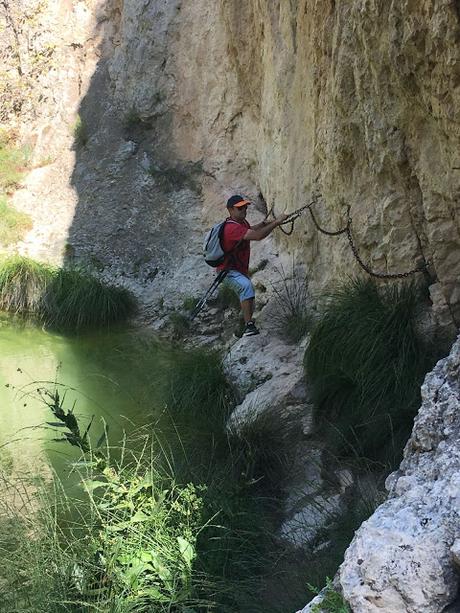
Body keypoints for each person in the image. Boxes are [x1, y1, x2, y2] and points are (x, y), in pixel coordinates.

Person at [217, 194, 288, 337]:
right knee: (246, 287)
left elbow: (251, 230)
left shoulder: (241, 223)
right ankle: (249, 326)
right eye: (240, 208)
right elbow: (257, 236)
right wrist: (276, 223)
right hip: (227, 272)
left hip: (238, 269)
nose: (244, 210)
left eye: (245, 207)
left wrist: (264, 224)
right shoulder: (231, 228)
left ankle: (241, 325)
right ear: (230, 210)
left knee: (248, 295)